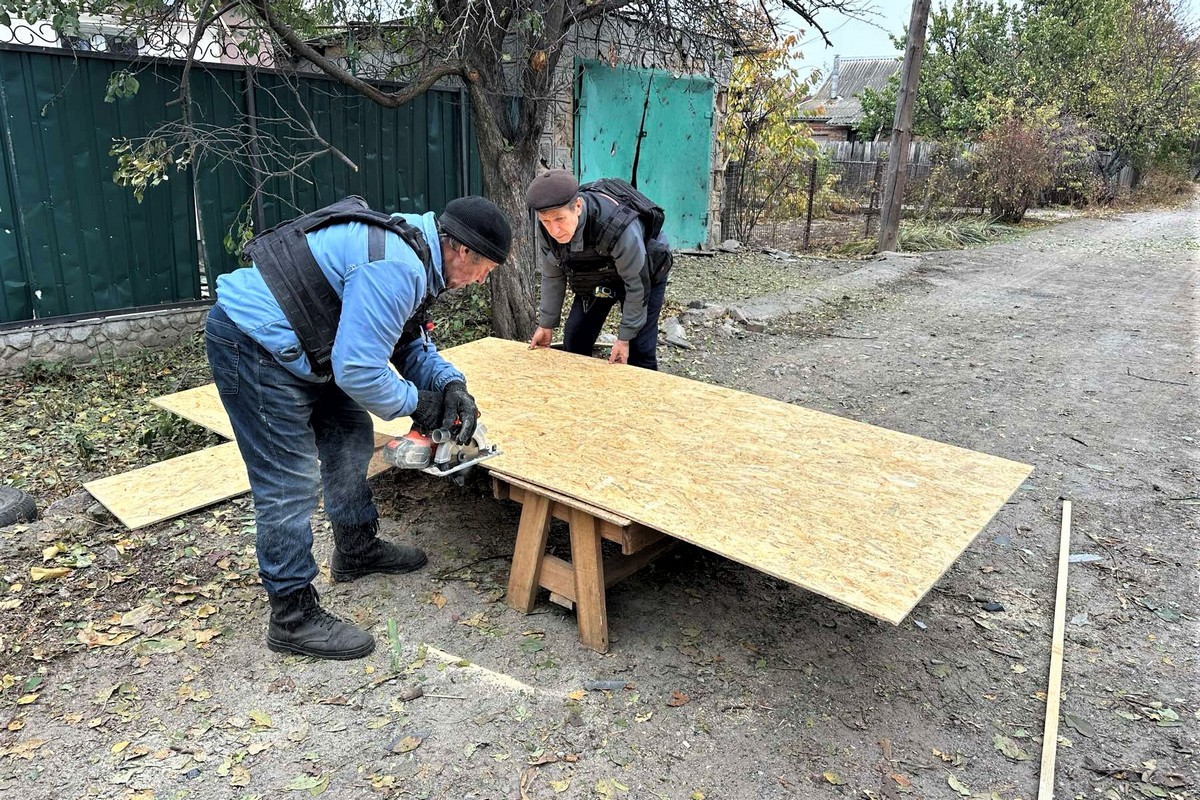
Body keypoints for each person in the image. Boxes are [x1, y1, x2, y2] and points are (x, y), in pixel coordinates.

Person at [204, 195, 511, 660]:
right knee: (288, 484)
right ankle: (291, 615)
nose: (481, 280)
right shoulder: (398, 266)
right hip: (256, 346)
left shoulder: (416, 248)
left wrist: (450, 385)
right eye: (485, 268)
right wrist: (420, 406)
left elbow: (406, 342)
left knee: (349, 436)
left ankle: (355, 547)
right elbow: (360, 370)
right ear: (463, 251)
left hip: (309, 344)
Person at [525, 170, 672, 369]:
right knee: (575, 340)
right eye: (546, 221)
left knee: (639, 351)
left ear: (577, 206)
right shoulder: (547, 230)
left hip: (643, 272)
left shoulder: (618, 226)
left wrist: (624, 337)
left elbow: (636, 285)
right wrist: (546, 324)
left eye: (560, 219)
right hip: (596, 273)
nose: (554, 230)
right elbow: (553, 276)